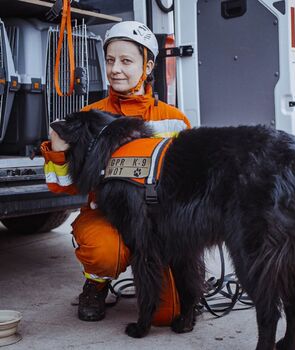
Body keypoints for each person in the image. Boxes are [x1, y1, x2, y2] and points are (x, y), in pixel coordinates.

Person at [40, 21, 190, 324]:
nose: (115, 69)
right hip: (106, 214)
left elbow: (189, 183)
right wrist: (57, 150)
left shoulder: (174, 120)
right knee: (104, 251)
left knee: (168, 315)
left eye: (126, 61)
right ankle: (96, 285)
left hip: (158, 219)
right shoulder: (90, 116)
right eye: (110, 61)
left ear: (147, 67)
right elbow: (64, 187)